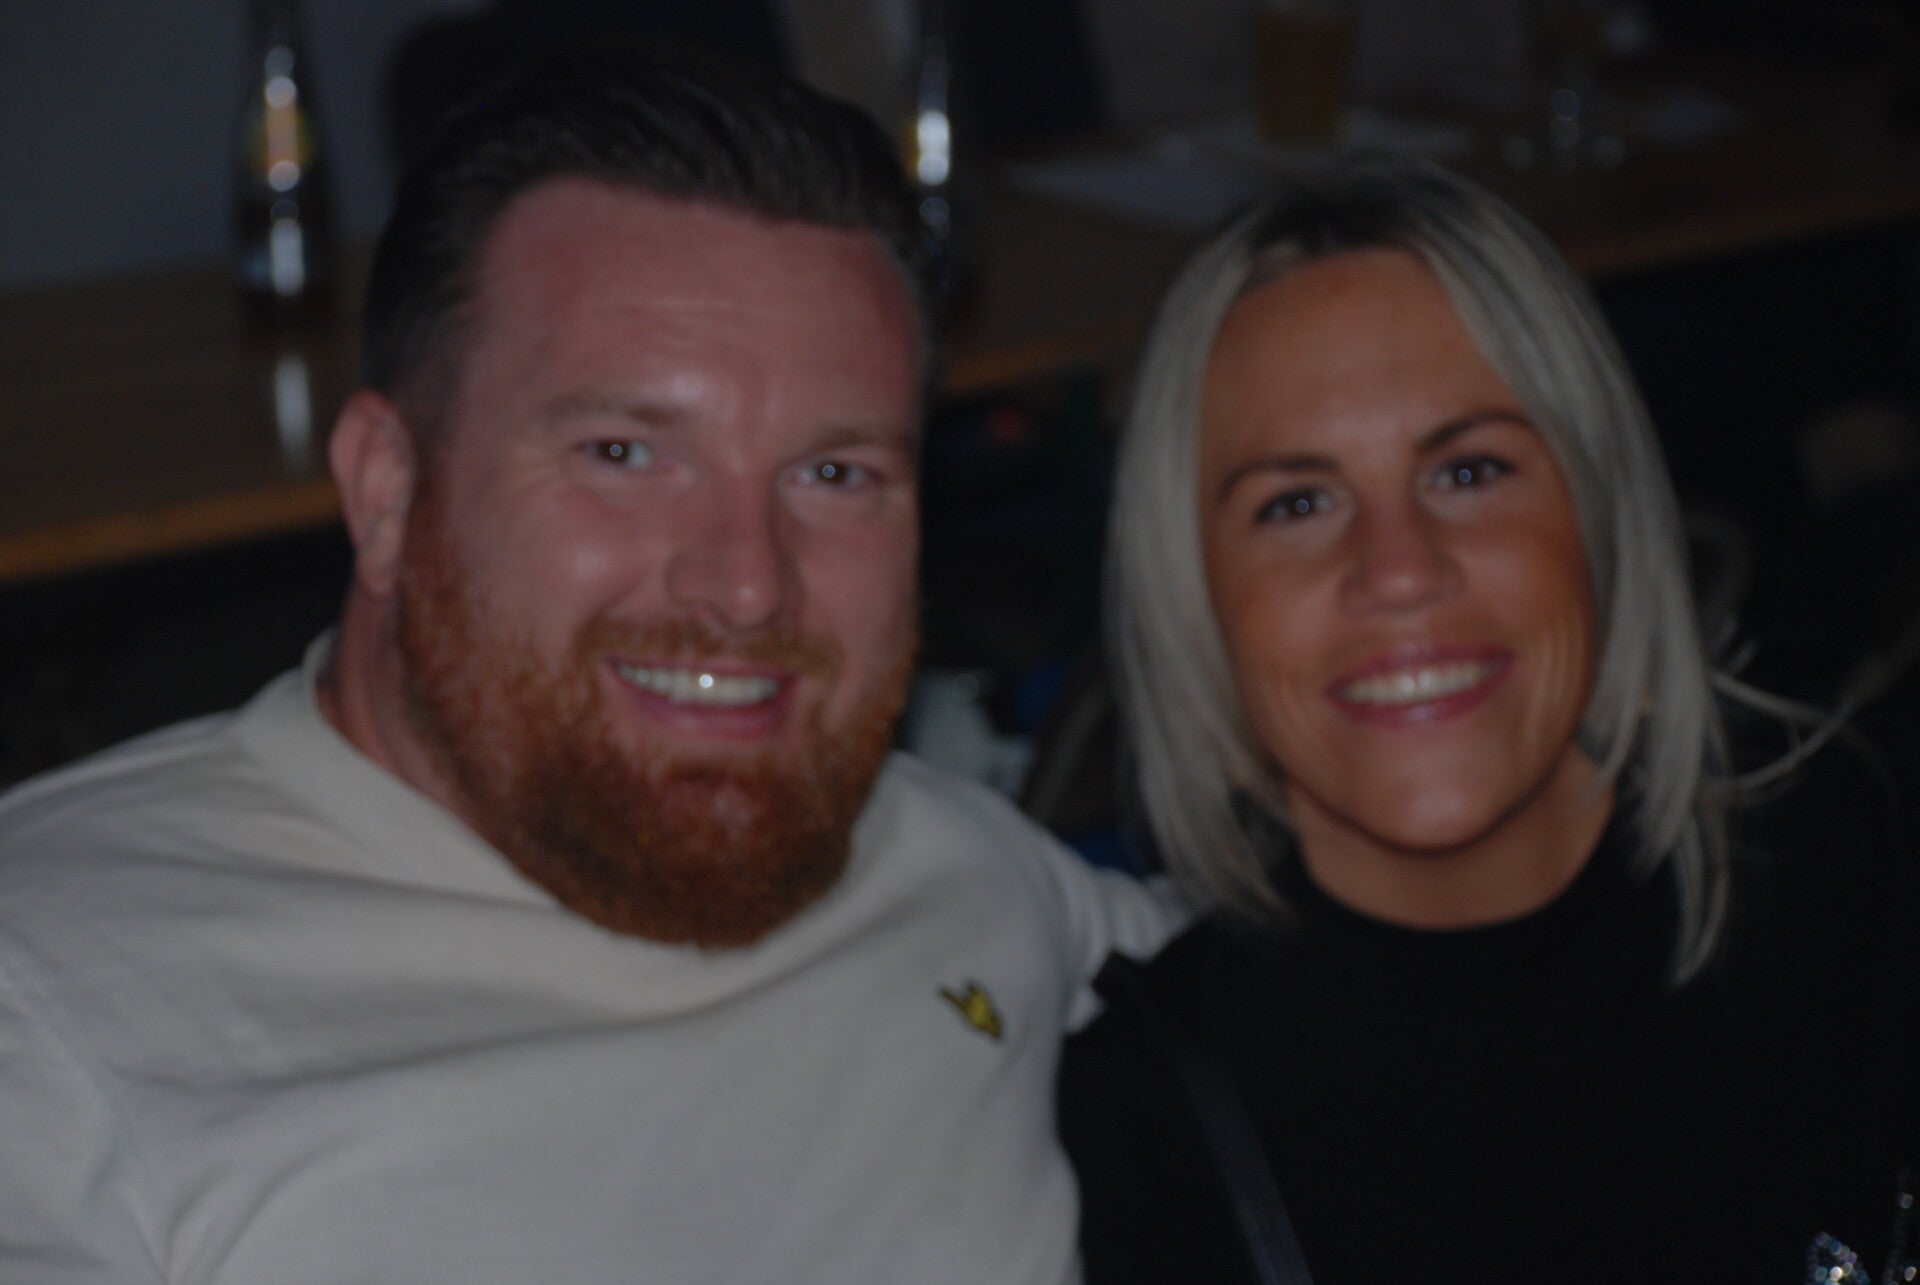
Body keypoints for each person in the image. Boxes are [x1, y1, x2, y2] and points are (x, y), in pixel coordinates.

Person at [0, 48, 1181, 1284]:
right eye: (623, 453)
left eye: (835, 474)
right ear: (389, 492)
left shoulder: (968, 872)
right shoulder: (57, 1006)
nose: (747, 583)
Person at [1058, 158, 1917, 1284]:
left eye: (1468, 470)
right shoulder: (1146, 1130)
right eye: (1297, 502)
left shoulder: (1860, 870)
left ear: (1599, 513)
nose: (1400, 570)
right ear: (1196, 599)